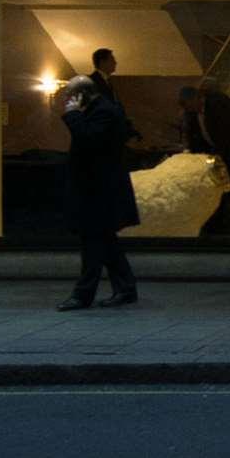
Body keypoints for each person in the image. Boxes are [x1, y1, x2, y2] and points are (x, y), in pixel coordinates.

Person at [58, 47, 142, 310]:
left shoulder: (102, 112)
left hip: (99, 191)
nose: (69, 102)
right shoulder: (103, 109)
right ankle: (125, 288)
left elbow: (88, 140)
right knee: (105, 242)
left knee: (94, 243)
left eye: (71, 98)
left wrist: (71, 115)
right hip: (100, 190)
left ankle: (83, 294)